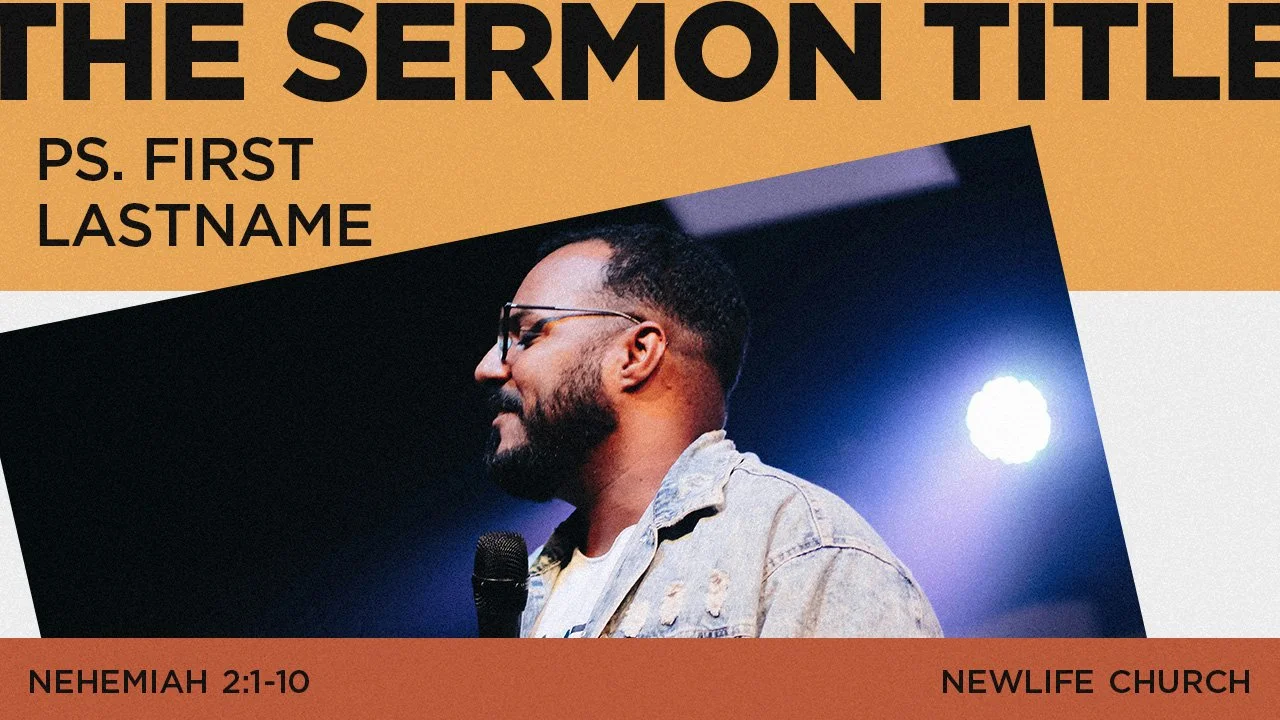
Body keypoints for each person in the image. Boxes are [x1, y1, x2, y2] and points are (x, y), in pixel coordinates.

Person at [473, 224, 942, 638]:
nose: (488, 367)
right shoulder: (522, 587)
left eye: (527, 333)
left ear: (636, 354)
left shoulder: (800, 549)